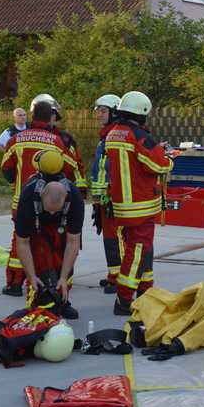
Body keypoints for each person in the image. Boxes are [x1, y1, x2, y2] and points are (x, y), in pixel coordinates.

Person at [0, 97, 82, 298]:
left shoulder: (16, 139)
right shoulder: (56, 141)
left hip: (21, 199)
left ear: (32, 116)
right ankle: (53, 286)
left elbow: (6, 168)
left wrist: (15, 186)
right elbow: (71, 166)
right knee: (49, 245)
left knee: (20, 239)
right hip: (51, 201)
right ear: (50, 118)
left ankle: (14, 282)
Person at [105, 91, 173, 315]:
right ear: (142, 113)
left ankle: (146, 292)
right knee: (137, 252)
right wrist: (169, 157)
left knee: (142, 250)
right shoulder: (139, 135)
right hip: (140, 205)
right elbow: (158, 165)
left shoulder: (114, 133)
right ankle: (124, 301)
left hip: (121, 205)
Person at [13, 155, 84, 320]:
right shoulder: (28, 197)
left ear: (65, 198)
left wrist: (64, 278)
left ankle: (62, 301)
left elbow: (73, 242)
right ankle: (43, 303)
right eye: (49, 210)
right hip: (38, 227)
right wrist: (30, 276)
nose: (52, 213)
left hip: (62, 226)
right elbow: (22, 242)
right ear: (41, 196)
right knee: (42, 267)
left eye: (56, 210)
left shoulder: (75, 199)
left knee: (64, 266)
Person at [90, 94, 123, 295]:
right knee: (110, 238)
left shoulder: (115, 136)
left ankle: (119, 278)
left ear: (114, 112)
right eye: (98, 111)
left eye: (103, 111)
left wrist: (107, 194)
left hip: (112, 197)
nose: (99, 115)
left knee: (115, 238)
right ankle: (113, 275)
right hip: (104, 197)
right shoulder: (106, 135)